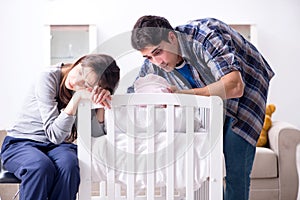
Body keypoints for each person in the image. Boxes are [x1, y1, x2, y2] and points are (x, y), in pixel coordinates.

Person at [128, 15, 275, 200]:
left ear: (172, 37)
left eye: (158, 52)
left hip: (247, 89)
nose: (157, 62)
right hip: (210, 95)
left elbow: (235, 86)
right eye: (148, 57)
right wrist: (105, 93)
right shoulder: (153, 63)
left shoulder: (205, 37)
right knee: (206, 167)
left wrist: (182, 97)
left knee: (236, 169)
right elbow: (133, 95)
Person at [0, 54, 120, 200]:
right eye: (81, 72)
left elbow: (95, 136)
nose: (76, 81)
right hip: (21, 142)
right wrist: (75, 99)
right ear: (80, 61)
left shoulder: (85, 93)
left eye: (86, 85)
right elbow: (54, 135)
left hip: (59, 146)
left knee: (69, 165)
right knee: (40, 167)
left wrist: (101, 103)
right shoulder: (47, 78)